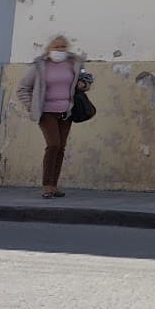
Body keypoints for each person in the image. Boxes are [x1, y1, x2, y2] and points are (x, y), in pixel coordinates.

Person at [14, 35, 91, 199]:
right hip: (46, 112)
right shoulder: (40, 66)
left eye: (63, 46)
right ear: (49, 49)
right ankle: (47, 186)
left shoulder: (74, 63)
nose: (60, 50)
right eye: (56, 47)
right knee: (53, 145)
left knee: (61, 148)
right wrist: (31, 106)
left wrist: (84, 84)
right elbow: (22, 88)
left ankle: (54, 185)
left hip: (67, 112)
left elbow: (87, 78)